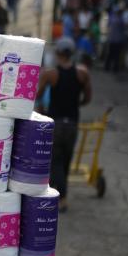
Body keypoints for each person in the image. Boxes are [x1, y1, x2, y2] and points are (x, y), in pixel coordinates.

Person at [37, 36, 92, 212]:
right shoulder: (82, 73)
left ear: (58, 53)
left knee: (56, 162)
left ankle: (61, 198)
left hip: (56, 123)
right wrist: (78, 105)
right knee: (66, 160)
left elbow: (38, 95)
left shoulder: (51, 74)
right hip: (72, 124)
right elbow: (88, 97)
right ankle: (61, 195)